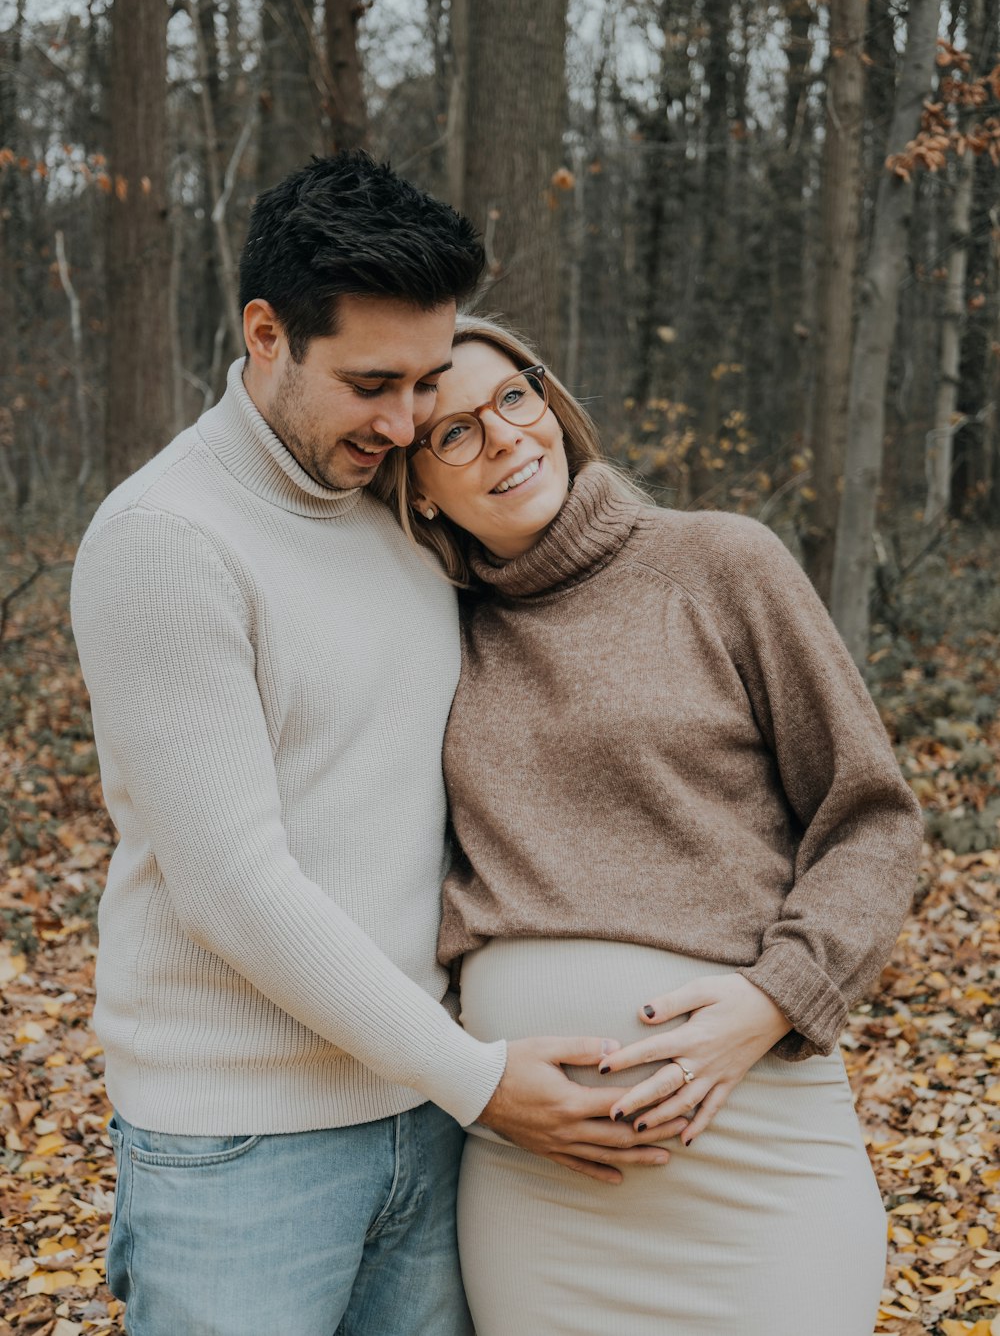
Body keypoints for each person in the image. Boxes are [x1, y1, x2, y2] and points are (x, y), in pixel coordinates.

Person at [70, 155, 668, 1336]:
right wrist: (482, 1079)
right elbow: (233, 886)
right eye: (371, 383)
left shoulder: (405, 512)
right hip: (242, 1151)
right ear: (265, 334)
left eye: (427, 381)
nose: (404, 423)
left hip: (429, 1122)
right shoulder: (164, 540)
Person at [378, 313, 925, 1336]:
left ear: (552, 403)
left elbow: (873, 820)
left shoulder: (720, 563)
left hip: (754, 1157)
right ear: (416, 486)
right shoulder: (428, 629)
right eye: (452, 433)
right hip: (532, 1181)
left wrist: (779, 997)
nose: (502, 437)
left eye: (513, 396)